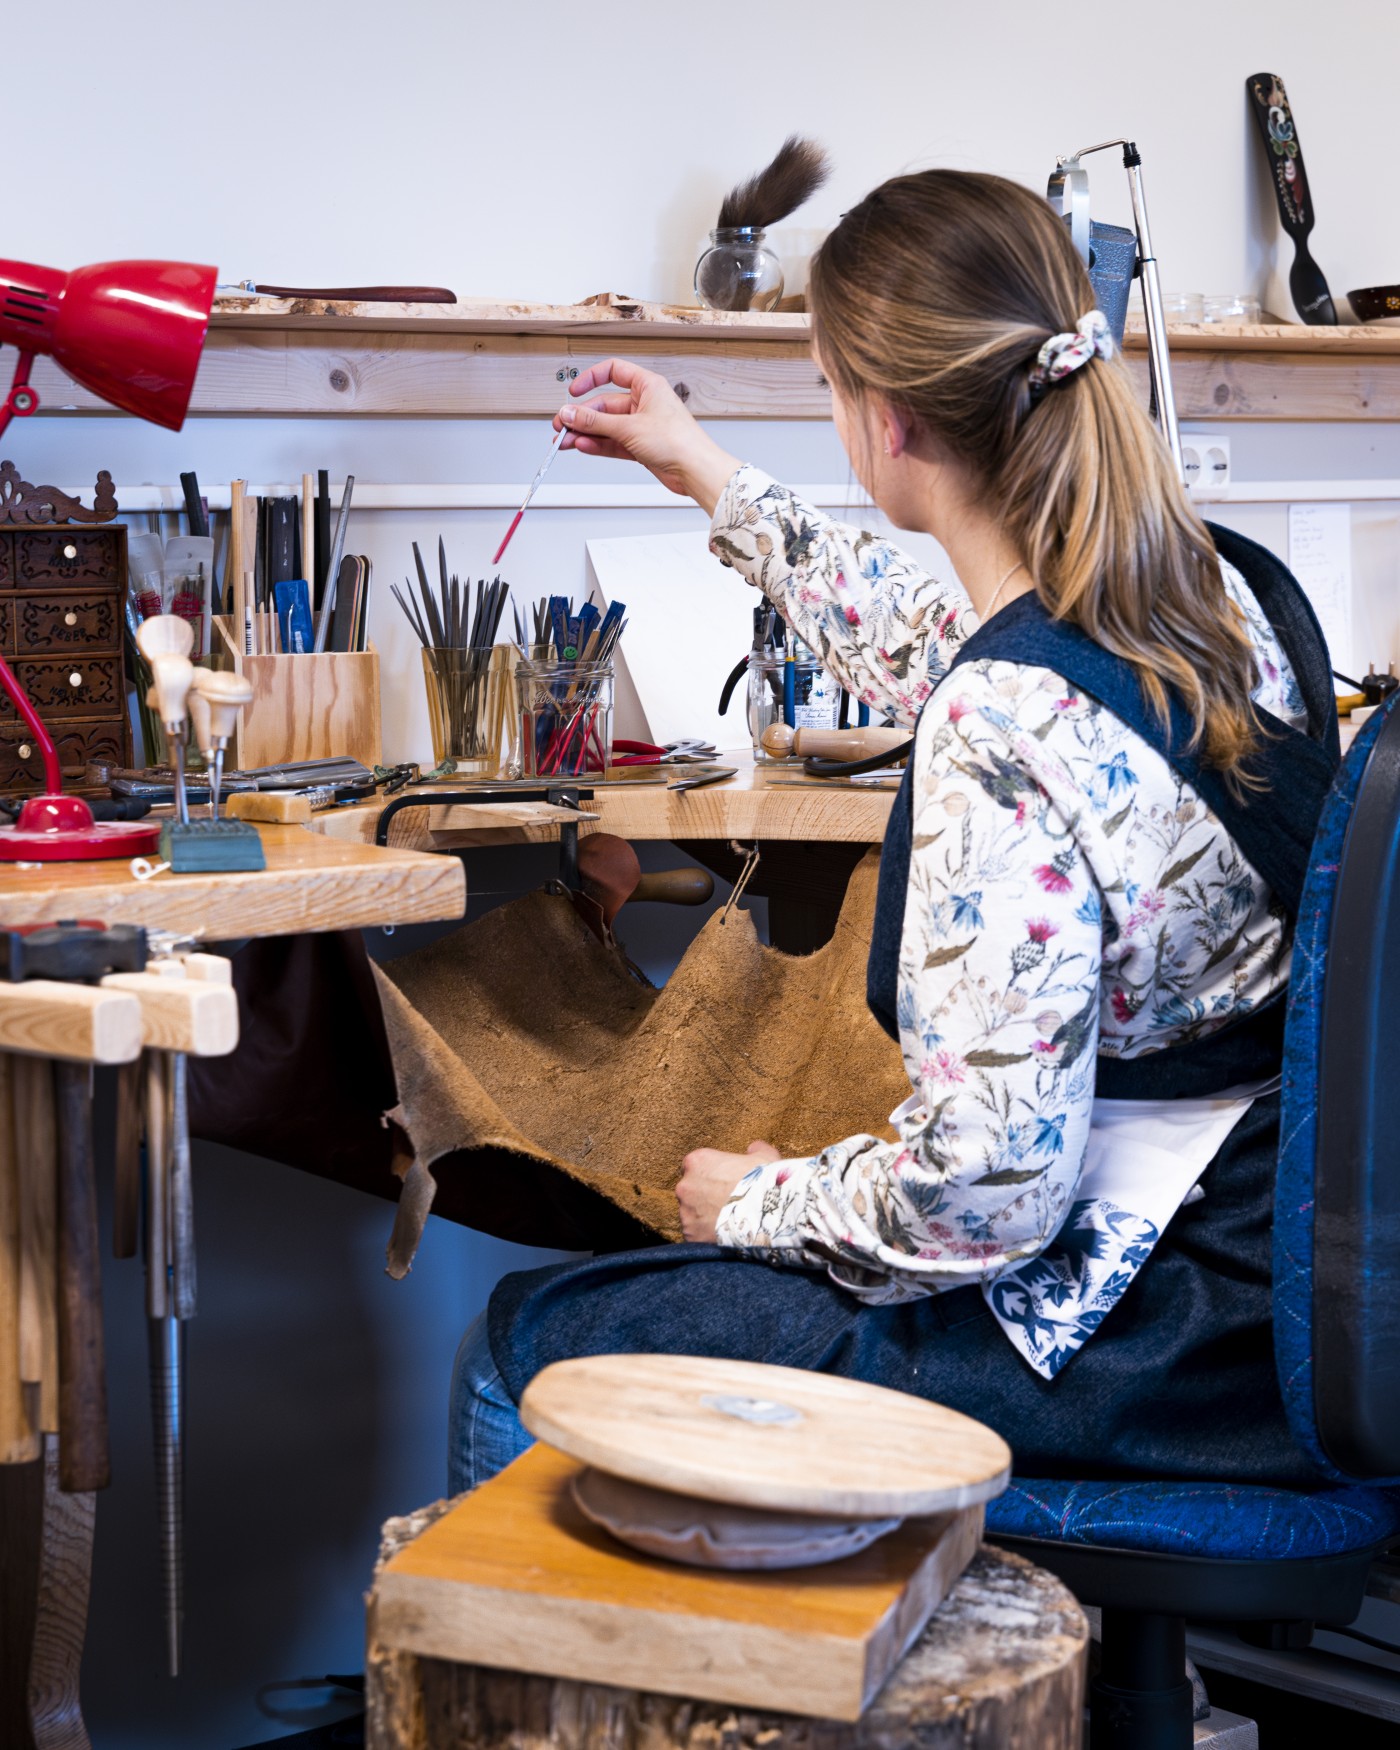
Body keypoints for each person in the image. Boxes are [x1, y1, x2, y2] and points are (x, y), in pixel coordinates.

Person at [449, 169, 1338, 1495]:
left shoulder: (1006, 721)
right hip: (1289, 1272)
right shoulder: (1217, 592)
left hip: (1161, 1333)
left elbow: (986, 1199)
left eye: (826, 391)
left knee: (536, 1342)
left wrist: (758, 1204)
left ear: (882, 418)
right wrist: (703, 469)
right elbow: (959, 654)